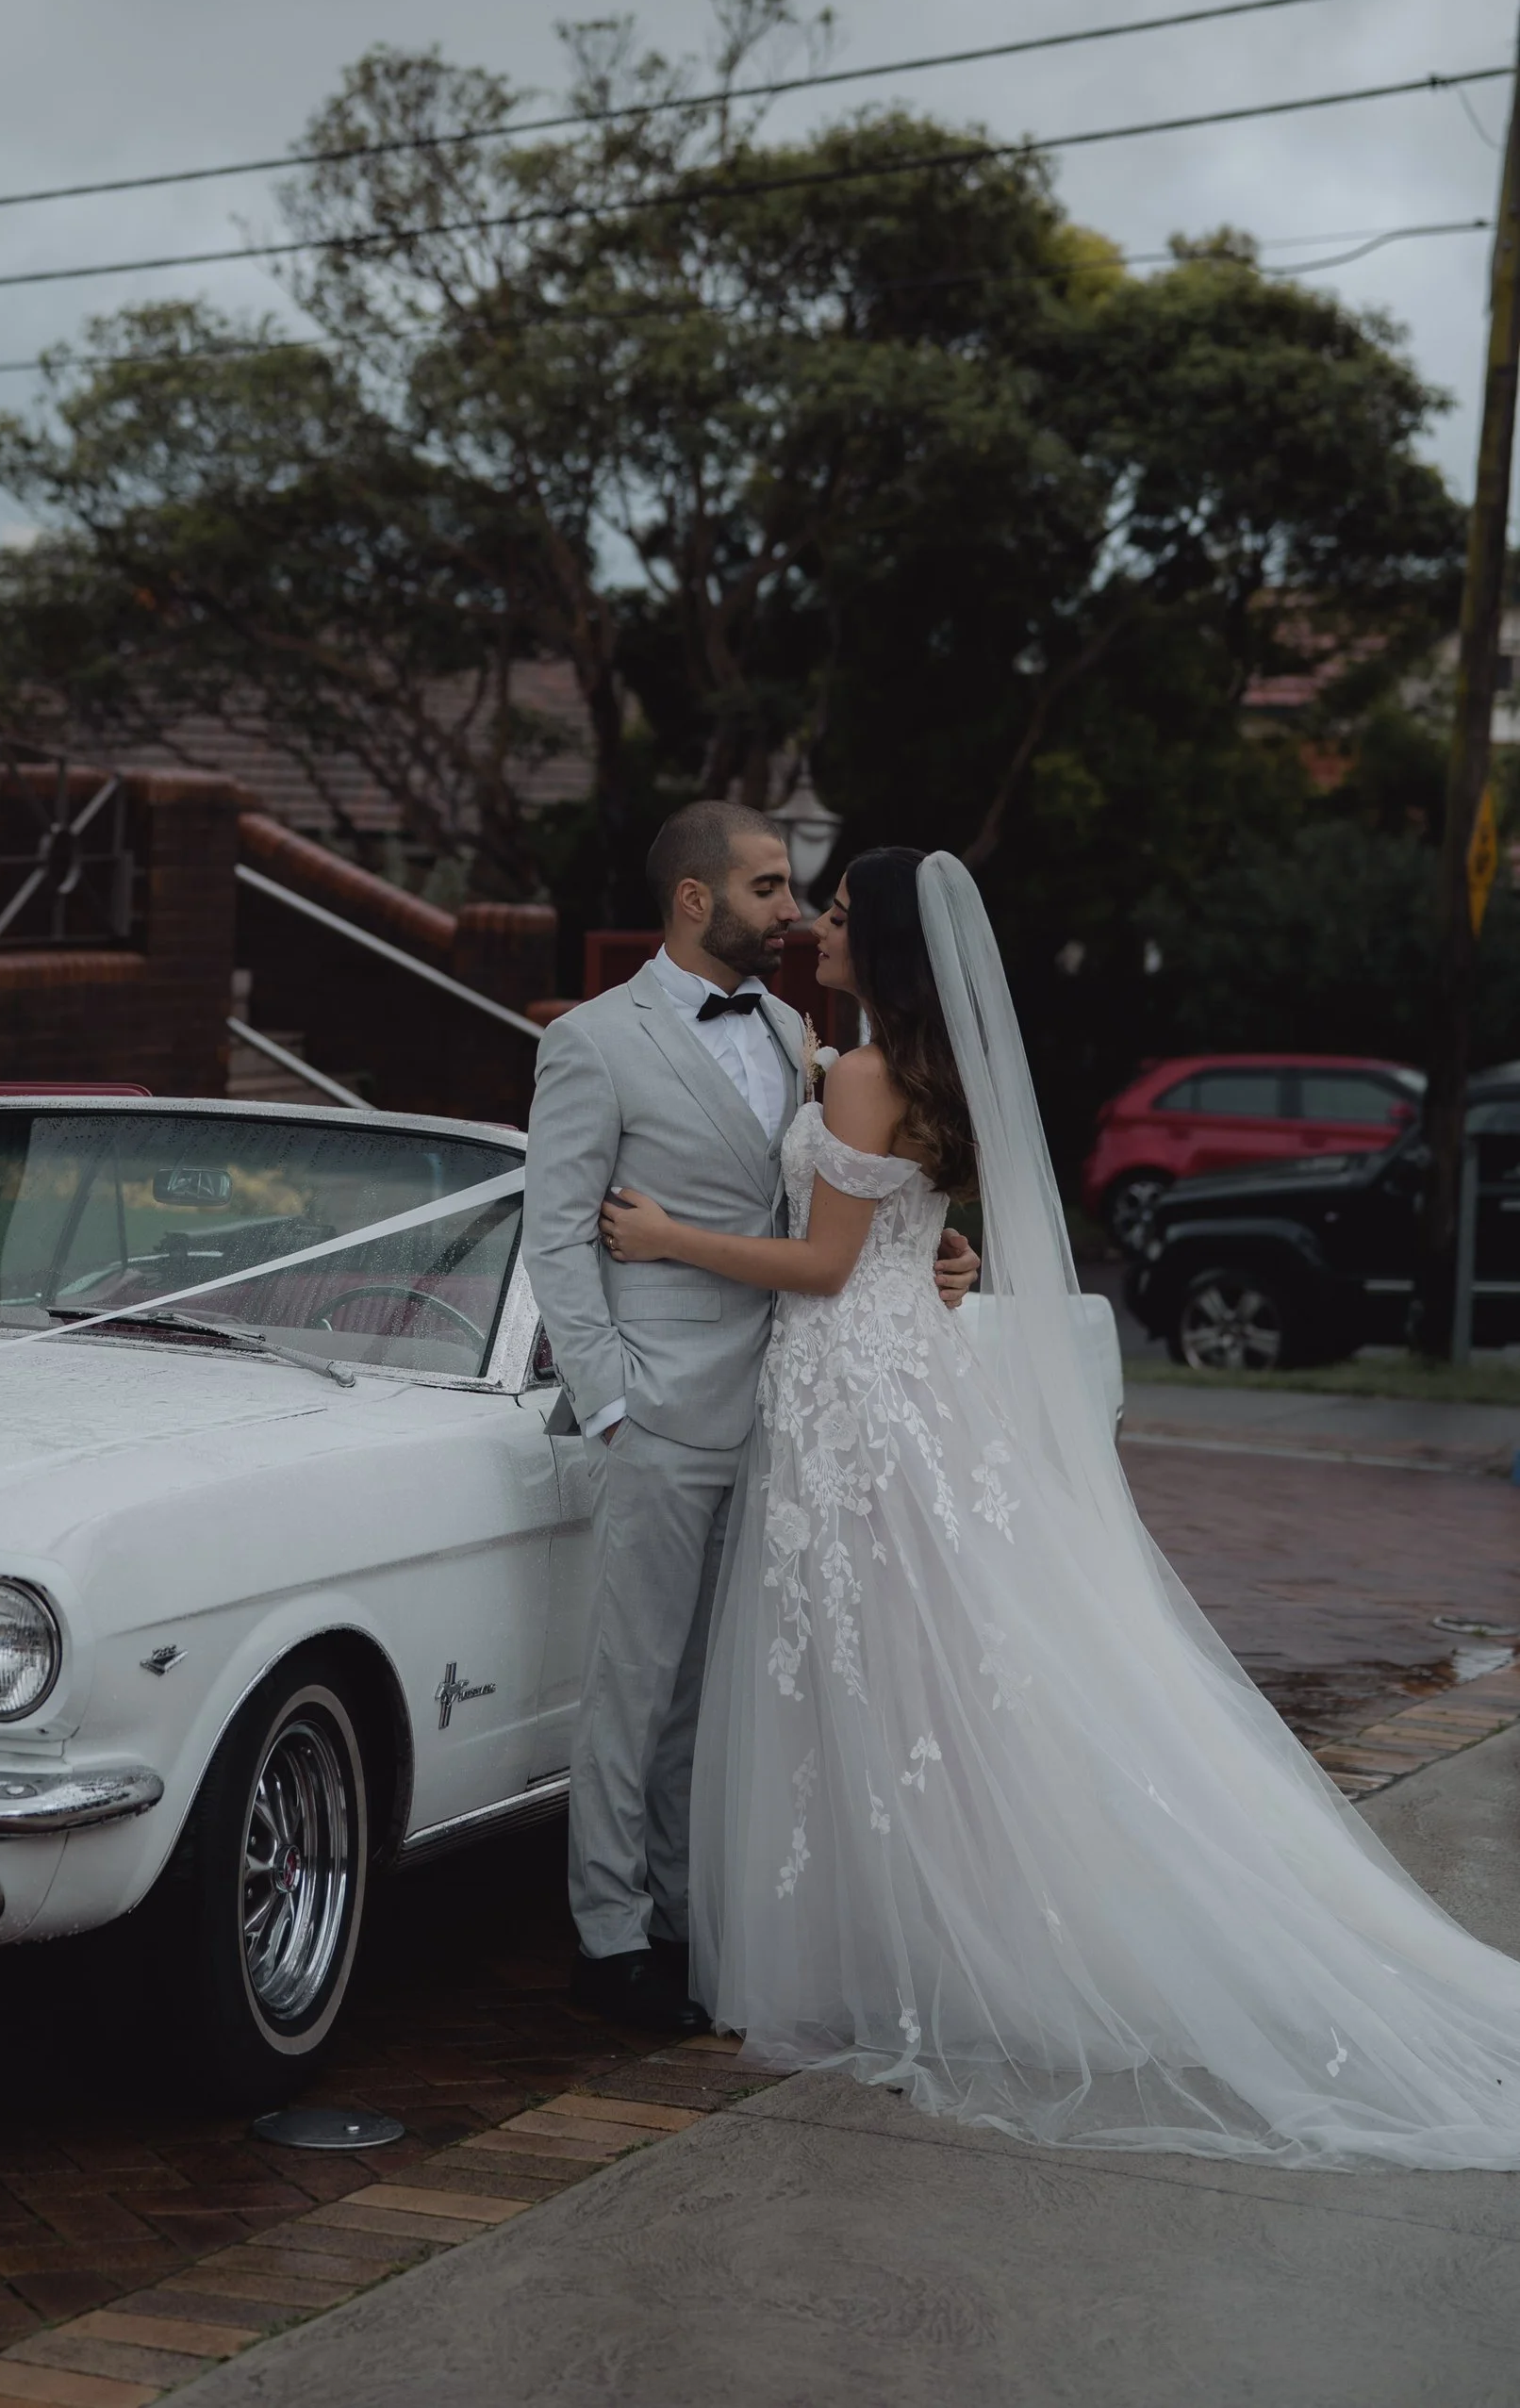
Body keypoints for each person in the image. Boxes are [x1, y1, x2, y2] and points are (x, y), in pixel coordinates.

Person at [602, 843, 1520, 2163]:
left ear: (891, 945)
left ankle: (910, 1943)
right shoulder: (900, 1068)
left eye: (843, 915)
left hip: (854, 1397)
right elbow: (901, 1225)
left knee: (877, 1666)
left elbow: (824, 1263)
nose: (819, 929)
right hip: (889, 1379)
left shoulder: (861, 1074)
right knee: (911, 1668)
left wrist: (666, 1237)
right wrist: (908, 1215)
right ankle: (921, 1928)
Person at [520, 801, 978, 2033]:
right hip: (660, 1409)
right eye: (769, 887)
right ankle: (609, 1939)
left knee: (715, 1693)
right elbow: (555, 1236)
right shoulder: (592, 1042)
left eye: (797, 891)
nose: (792, 910)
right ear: (695, 898)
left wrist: (931, 1255)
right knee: (632, 1685)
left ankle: (683, 1918)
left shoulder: (791, 1031)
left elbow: (839, 1209)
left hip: (792, 1409)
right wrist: (611, 1399)